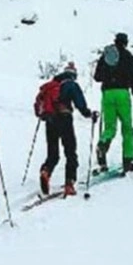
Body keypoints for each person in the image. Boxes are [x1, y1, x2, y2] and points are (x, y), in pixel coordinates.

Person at [38, 62, 97, 196]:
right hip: (65, 119)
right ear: (73, 75)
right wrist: (89, 114)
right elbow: (80, 104)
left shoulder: (51, 86)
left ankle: (46, 171)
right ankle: (69, 184)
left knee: (53, 153)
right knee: (70, 152)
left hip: (50, 120)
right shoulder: (71, 85)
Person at [93, 32, 133, 174]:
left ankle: (102, 145)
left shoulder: (106, 56)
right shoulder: (129, 57)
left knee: (110, 127)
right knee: (127, 128)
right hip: (122, 94)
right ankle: (128, 161)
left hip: (107, 94)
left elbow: (97, 77)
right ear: (126, 42)